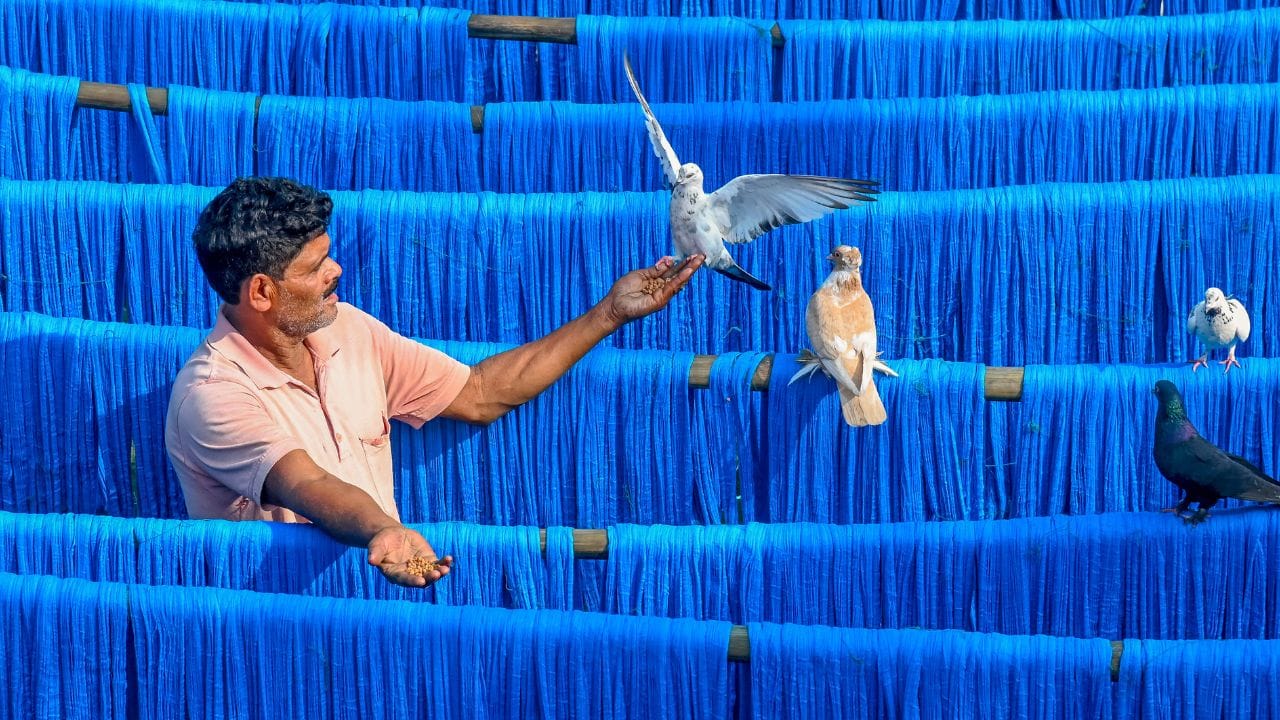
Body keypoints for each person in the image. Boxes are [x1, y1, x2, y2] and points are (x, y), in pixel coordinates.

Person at [164, 177, 703, 588]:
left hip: (374, 611)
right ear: (261, 292)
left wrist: (608, 314)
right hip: (279, 634)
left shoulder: (348, 330)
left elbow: (480, 393)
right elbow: (305, 483)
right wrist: (383, 530)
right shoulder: (211, 394)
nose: (338, 271)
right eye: (317, 265)